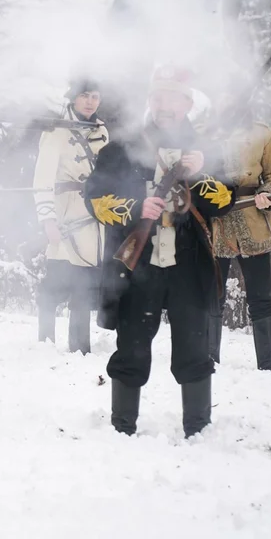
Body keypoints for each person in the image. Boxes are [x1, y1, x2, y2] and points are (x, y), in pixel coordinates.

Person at [84, 66, 234, 438]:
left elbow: (227, 199)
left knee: (194, 347)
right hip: (138, 266)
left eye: (172, 97)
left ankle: (198, 429)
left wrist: (201, 172)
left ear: (186, 103)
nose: (163, 104)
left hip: (188, 264)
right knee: (132, 345)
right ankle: (122, 428)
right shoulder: (124, 144)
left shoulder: (205, 149)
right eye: (157, 96)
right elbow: (96, 199)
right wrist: (137, 207)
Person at [210, 98, 271, 372]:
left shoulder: (263, 133)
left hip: (253, 221)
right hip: (215, 223)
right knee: (212, 297)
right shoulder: (204, 131)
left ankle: (267, 365)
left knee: (261, 297)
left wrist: (268, 193)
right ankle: (209, 361)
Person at [33, 79, 108, 354]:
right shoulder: (55, 131)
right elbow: (42, 179)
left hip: (93, 215)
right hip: (65, 211)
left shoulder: (102, 131)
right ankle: (46, 340)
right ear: (73, 98)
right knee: (55, 282)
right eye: (84, 95)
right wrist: (47, 220)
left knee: (84, 282)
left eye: (95, 96)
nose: (90, 101)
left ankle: (80, 347)